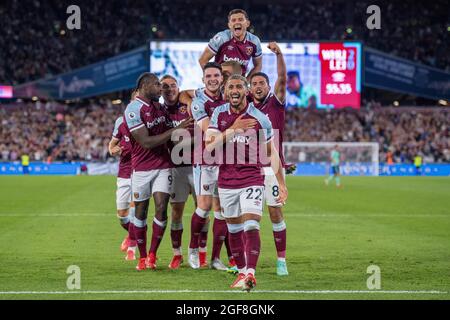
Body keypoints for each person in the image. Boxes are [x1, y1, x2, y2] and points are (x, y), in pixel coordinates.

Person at [206, 74, 288, 291]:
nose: (234, 90)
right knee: (233, 230)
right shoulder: (219, 114)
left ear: (246, 91)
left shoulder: (261, 119)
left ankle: (251, 272)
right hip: (226, 180)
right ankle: (242, 273)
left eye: (239, 87)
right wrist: (234, 129)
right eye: (230, 87)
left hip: (252, 178)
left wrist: (281, 183)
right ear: (225, 92)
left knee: (251, 224)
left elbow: (272, 153)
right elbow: (209, 146)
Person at [123, 72, 193, 271]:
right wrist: (176, 129)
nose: (160, 89)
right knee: (140, 212)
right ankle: (142, 256)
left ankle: (152, 255)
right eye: (157, 85)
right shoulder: (133, 109)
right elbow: (146, 142)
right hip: (142, 169)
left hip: (163, 165)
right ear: (145, 86)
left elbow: (171, 137)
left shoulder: (160, 108)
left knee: (162, 207)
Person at [249, 42, 289, 276]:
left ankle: (281, 260)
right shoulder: (243, 108)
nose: (258, 86)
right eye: (254, 83)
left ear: (267, 86)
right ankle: (243, 262)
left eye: (261, 83)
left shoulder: (275, 103)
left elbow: (282, 78)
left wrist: (278, 54)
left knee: (275, 213)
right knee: (249, 218)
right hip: (250, 169)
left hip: (272, 168)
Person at [189, 62, 231, 271]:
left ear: (221, 78)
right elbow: (209, 132)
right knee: (203, 208)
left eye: (216, 75)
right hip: (205, 161)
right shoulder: (198, 102)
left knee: (222, 211)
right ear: (203, 79)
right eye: (209, 76)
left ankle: (215, 259)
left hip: (226, 162)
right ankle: (193, 250)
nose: (213, 79)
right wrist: (235, 129)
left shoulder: (229, 98)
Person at [160, 74, 197, 269]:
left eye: (173, 86)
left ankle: (201, 251)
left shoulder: (189, 104)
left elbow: (206, 92)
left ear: (178, 88)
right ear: (160, 90)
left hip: (198, 165)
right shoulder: (158, 111)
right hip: (176, 168)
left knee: (202, 210)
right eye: (165, 87)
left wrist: (188, 95)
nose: (170, 89)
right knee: (176, 212)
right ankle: (177, 253)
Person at [109, 100, 137, 261]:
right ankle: (131, 234)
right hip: (124, 172)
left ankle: (132, 248)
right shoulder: (120, 121)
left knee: (134, 210)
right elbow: (111, 145)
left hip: (140, 171)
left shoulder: (147, 121)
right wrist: (114, 150)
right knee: (122, 215)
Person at [198, 9, 262, 79]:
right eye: (233, 20)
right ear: (229, 25)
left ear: (247, 23)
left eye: (240, 19)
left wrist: (246, 82)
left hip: (239, 84)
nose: (237, 22)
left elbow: (258, 65)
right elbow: (203, 60)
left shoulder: (254, 41)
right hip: (221, 83)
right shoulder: (221, 38)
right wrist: (213, 79)